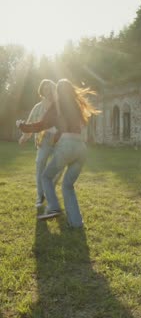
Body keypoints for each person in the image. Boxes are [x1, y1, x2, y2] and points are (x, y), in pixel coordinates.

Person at [16, 79, 98, 227]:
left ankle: (53, 206)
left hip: (67, 147)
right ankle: (76, 223)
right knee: (68, 186)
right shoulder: (77, 106)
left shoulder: (57, 106)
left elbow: (40, 125)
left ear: (58, 91)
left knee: (46, 177)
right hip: (81, 149)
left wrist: (21, 126)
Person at [19, 79, 58, 208]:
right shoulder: (38, 107)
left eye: (50, 87)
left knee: (59, 167)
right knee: (40, 164)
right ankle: (40, 197)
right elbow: (31, 122)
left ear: (54, 89)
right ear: (42, 90)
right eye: (45, 88)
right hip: (43, 140)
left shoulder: (58, 105)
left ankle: (49, 189)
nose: (47, 90)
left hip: (58, 140)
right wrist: (25, 136)